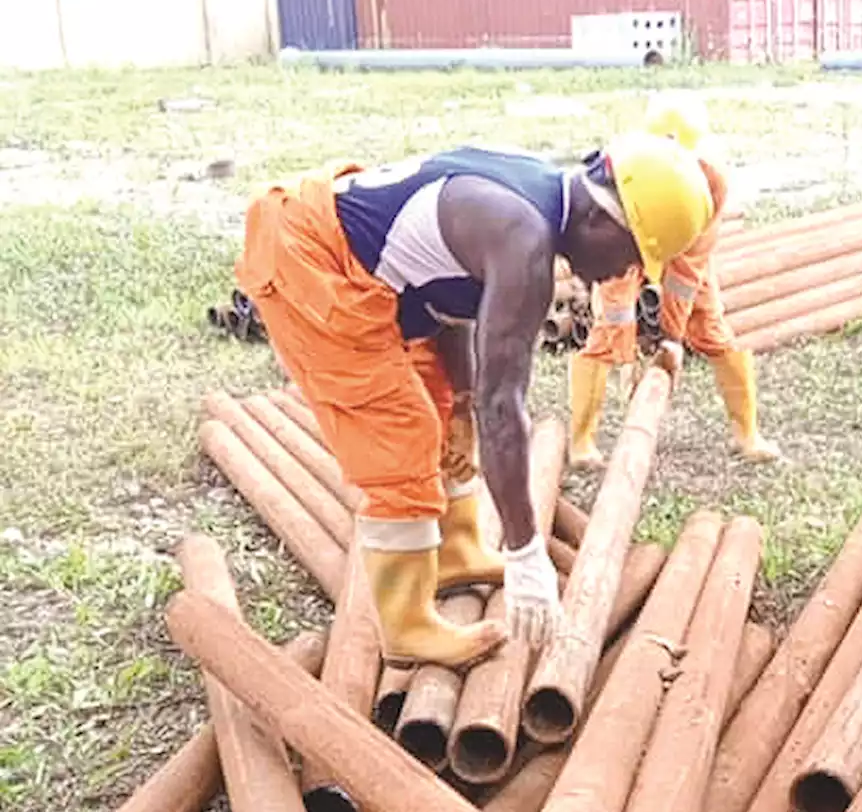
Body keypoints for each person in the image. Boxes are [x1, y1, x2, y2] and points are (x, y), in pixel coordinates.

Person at [235, 135, 714, 668]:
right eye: (632, 257)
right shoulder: (525, 241)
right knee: (402, 433)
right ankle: (406, 626)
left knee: (442, 404)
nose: (622, 276)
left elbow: (447, 298)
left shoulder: (535, 192)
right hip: (313, 260)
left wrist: (459, 397)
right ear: (607, 223)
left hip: (363, 265)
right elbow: (503, 407)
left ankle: (456, 548)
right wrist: (526, 552)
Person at [568, 92, 781, 469]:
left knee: (711, 326)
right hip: (626, 242)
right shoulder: (626, 168)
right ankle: (581, 441)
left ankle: (747, 434)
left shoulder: (712, 181)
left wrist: (670, 338)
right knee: (609, 327)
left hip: (681, 247)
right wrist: (626, 350)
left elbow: (686, 271)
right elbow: (609, 264)